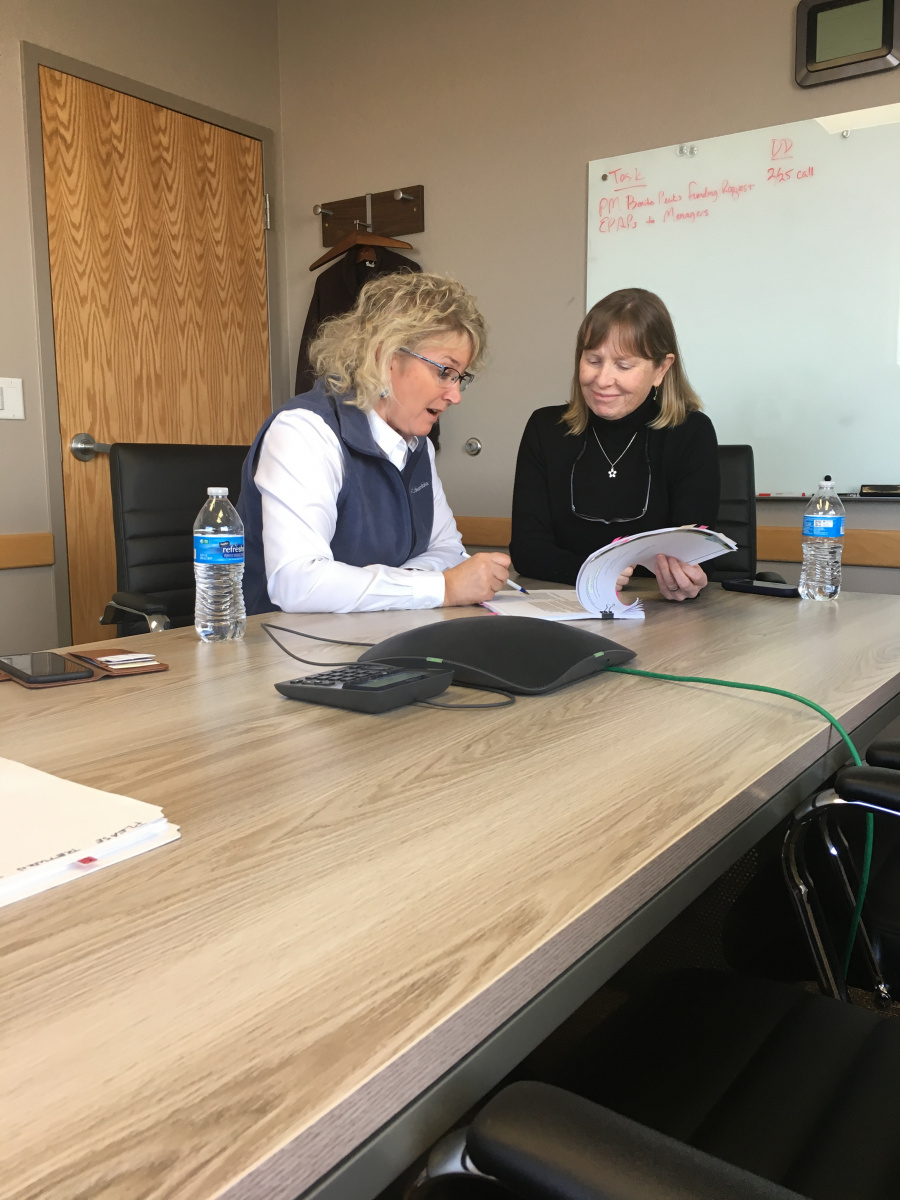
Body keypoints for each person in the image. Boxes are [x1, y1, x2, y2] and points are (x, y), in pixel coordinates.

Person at [238, 272, 510, 614]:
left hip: (373, 640)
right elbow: (297, 582)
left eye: (460, 378)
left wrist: (414, 584)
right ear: (386, 358)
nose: (455, 395)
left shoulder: (416, 444)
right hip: (277, 652)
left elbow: (447, 550)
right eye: (444, 371)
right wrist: (441, 587)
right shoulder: (304, 432)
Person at [510, 288, 719, 601]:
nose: (602, 380)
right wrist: (594, 569)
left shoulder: (691, 433)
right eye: (593, 360)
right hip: (567, 607)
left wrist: (687, 579)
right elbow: (527, 550)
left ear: (661, 369)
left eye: (623, 366)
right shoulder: (545, 428)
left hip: (660, 615)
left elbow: (696, 553)